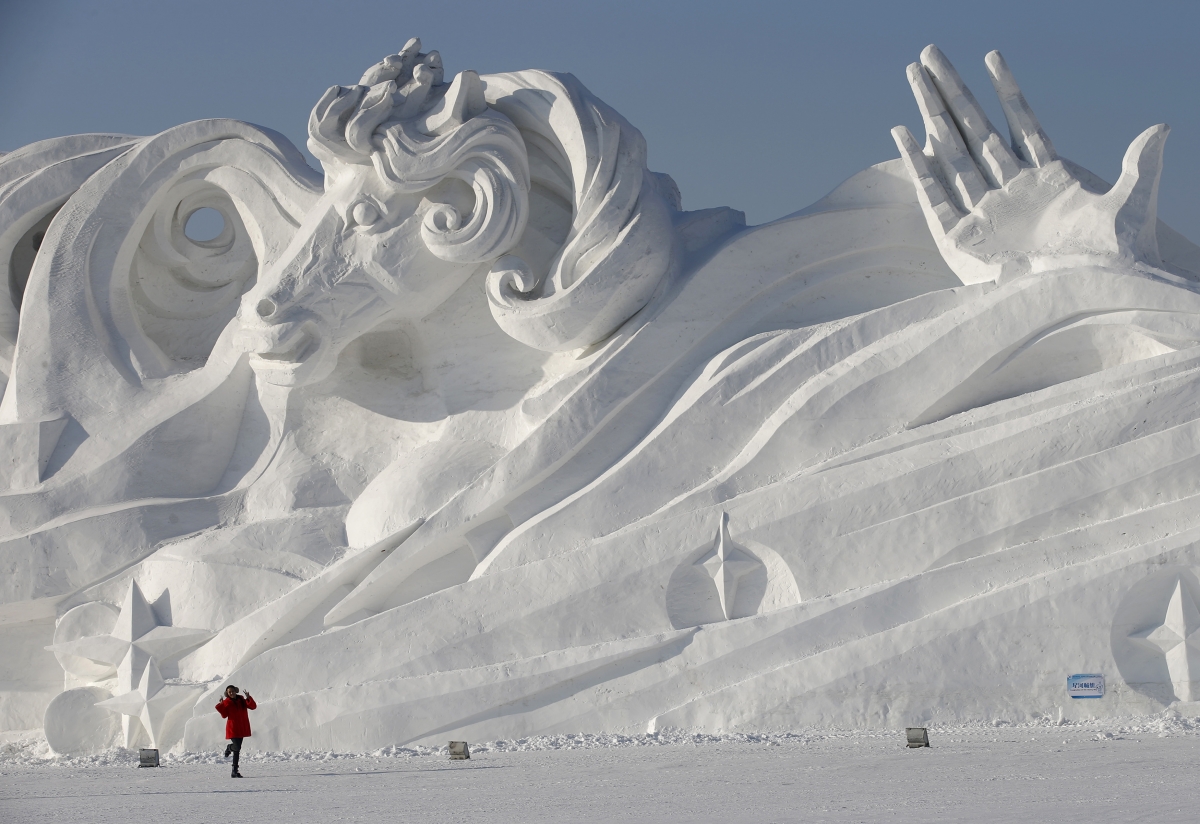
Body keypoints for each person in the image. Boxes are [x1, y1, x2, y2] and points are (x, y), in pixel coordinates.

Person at [215, 684, 256, 778]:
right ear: (227, 694)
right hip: (232, 728)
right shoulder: (226, 702)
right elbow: (224, 715)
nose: (231, 693)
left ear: (235, 691)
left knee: (237, 750)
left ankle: (234, 771)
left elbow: (253, 707)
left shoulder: (241, 699)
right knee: (236, 747)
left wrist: (249, 698)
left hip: (242, 727)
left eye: (232, 691)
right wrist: (221, 705)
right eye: (229, 692)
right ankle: (229, 747)